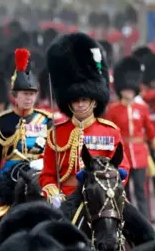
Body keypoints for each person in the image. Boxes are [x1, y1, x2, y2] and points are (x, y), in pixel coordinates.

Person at [40, 33, 130, 202]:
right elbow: (47, 175)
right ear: (69, 103)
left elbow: (123, 167)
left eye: (84, 100)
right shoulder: (56, 133)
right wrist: (53, 194)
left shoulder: (110, 132)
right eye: (75, 100)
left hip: (103, 198)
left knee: (140, 227)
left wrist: (111, 185)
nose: (80, 104)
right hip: (66, 197)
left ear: (94, 102)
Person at [0, 48, 52, 198]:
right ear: (15, 96)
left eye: (32, 94)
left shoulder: (46, 120)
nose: (29, 98)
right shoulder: (2, 121)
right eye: (25, 94)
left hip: (41, 175)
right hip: (10, 177)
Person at [104, 56, 155, 218]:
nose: (128, 92)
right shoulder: (113, 109)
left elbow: (150, 130)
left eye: (131, 90)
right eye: (126, 90)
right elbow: (109, 132)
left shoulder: (142, 108)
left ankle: (146, 220)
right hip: (122, 153)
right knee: (124, 191)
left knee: (141, 190)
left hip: (140, 154)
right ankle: (129, 220)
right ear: (120, 90)